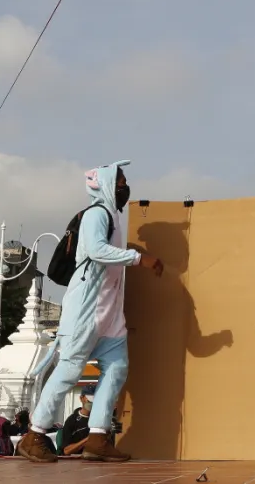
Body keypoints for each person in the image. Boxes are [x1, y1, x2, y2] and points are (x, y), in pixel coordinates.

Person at [16, 160, 164, 463]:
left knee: (117, 368)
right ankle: (33, 436)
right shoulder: (97, 214)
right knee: (69, 371)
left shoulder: (113, 217)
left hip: (109, 313)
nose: (124, 186)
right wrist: (140, 259)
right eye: (120, 181)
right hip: (85, 309)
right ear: (109, 185)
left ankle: (97, 436)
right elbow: (96, 250)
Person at [60, 388, 94, 456]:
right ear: (82, 398)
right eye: (90, 400)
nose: (93, 403)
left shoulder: (101, 419)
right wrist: (90, 439)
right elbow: (66, 450)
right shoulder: (71, 421)